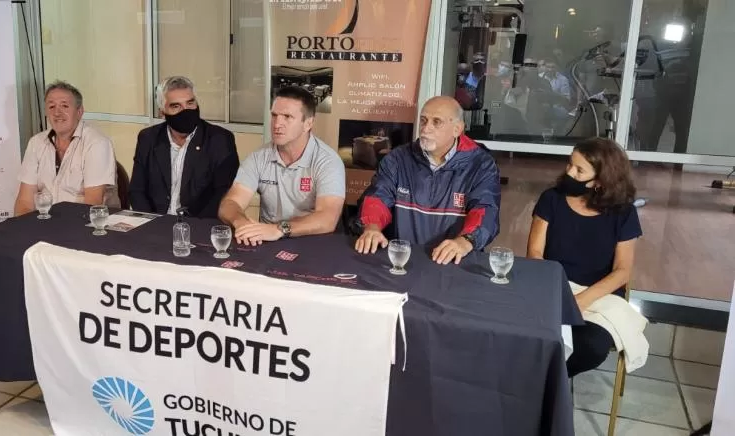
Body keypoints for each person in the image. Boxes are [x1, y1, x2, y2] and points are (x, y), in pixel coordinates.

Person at [526, 137, 642, 377]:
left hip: (599, 295)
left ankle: (545, 384)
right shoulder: (552, 199)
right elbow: (534, 254)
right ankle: (537, 386)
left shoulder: (624, 212)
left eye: (579, 170)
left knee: (591, 346)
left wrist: (582, 301)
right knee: (528, 332)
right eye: (570, 164)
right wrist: (554, 293)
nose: (569, 172)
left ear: (600, 181)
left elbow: (623, 271)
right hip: (553, 287)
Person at [354, 96, 501, 265]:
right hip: (402, 260)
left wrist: (465, 241)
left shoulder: (481, 164)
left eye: (436, 122)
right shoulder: (397, 159)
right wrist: (372, 226)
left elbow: (486, 210)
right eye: (423, 121)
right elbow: (377, 197)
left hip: (454, 262)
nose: (426, 129)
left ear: (457, 129)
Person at [218, 85, 345, 245]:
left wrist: (280, 229)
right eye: (274, 115)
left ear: (308, 123)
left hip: (312, 244)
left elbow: (327, 218)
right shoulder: (259, 157)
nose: (277, 124)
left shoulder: (327, 161)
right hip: (267, 241)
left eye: (287, 117)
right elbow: (230, 203)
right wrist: (240, 222)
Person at [128, 76, 239, 218]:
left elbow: (224, 194)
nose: (185, 111)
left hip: (199, 226)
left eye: (190, 103)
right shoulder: (148, 138)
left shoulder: (220, 140)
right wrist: (150, 224)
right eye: (176, 106)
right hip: (155, 224)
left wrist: (192, 228)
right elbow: (137, 190)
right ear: (163, 112)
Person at [14, 80, 119, 215]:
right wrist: (23, 230)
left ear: (79, 111)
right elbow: (24, 201)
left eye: (64, 106)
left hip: (85, 224)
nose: (57, 113)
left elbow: (92, 205)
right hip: (44, 224)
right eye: (51, 107)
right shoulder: (36, 143)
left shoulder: (97, 143)